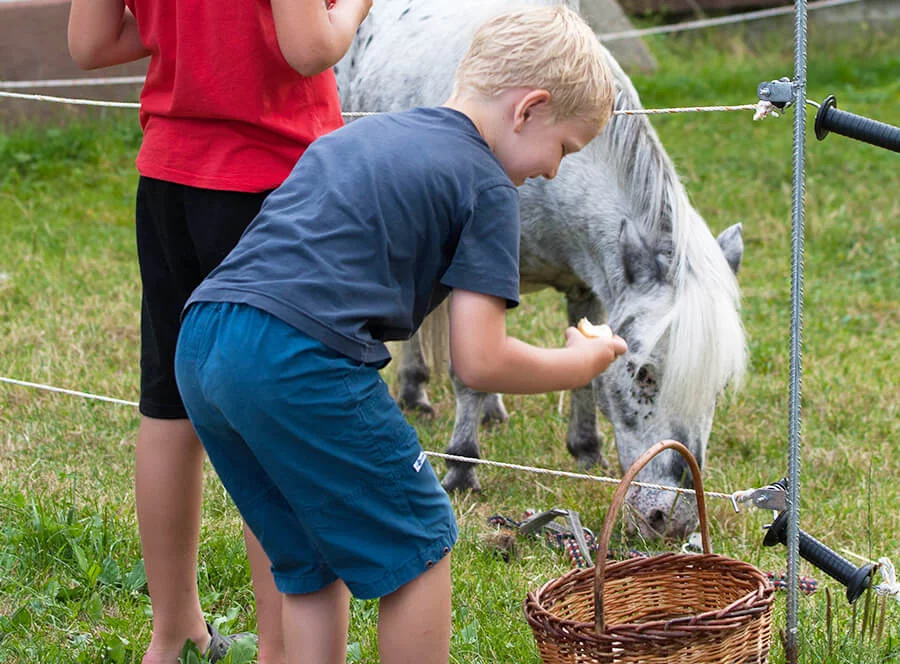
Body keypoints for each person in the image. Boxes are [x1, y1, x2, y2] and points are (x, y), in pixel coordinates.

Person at [174, 5, 625, 664]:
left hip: (206, 338)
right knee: (419, 537)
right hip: (295, 359)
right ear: (528, 109)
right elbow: (481, 359)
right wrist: (578, 364)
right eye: (564, 149)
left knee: (306, 557)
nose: (555, 171)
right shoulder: (486, 183)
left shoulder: (361, 135)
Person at [66, 1, 372, 662]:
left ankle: (171, 631)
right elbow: (310, 48)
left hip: (169, 178)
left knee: (169, 405)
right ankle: (280, 649)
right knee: (276, 423)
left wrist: (184, 44)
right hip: (272, 183)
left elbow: (90, 43)